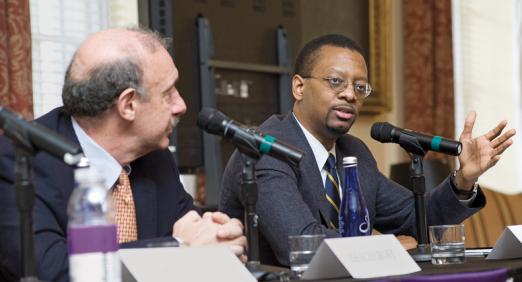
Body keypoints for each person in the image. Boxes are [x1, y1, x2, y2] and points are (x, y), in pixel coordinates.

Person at [220, 34, 516, 266]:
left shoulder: (354, 153)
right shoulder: (265, 147)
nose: (349, 94)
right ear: (299, 87)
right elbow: (299, 245)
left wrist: (463, 180)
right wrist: (382, 245)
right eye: (335, 81)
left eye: (360, 87)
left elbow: (415, 218)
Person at [0, 28, 245, 282]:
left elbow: (193, 227)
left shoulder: (153, 154)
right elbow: (54, 271)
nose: (181, 105)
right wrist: (179, 248)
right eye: (168, 92)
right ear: (128, 105)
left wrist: (222, 235)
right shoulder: (16, 160)